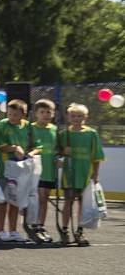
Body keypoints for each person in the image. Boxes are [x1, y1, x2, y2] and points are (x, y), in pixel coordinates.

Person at [57, 103, 104, 246]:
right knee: (68, 203)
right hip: (69, 174)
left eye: (79, 116)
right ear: (68, 117)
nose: (76, 118)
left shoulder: (91, 134)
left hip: (85, 175)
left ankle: (79, 231)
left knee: (82, 204)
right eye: (73, 116)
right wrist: (63, 153)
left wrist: (95, 174)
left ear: (85, 117)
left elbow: (96, 156)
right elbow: (58, 154)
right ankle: (64, 231)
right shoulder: (64, 134)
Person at [0, 99, 32, 242]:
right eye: (10, 114)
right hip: (5, 168)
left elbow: (32, 144)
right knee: (2, 200)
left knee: (15, 200)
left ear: (23, 114)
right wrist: (14, 148)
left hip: (20, 169)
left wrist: (30, 153)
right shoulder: (3, 125)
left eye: (15, 115)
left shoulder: (28, 127)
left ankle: (13, 231)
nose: (12, 117)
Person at [30, 99, 58, 242]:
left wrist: (59, 157)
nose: (45, 115)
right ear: (36, 113)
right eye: (42, 112)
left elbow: (57, 149)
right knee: (37, 199)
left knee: (44, 199)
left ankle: (40, 225)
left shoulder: (54, 129)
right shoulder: (31, 128)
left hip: (49, 171)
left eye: (49, 112)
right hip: (34, 170)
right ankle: (33, 224)